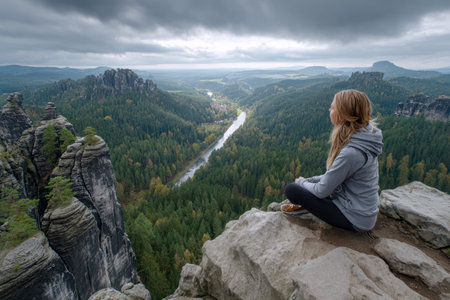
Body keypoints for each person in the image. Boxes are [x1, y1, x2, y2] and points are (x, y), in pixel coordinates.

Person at [283, 89, 383, 232]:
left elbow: (321, 191)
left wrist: (301, 183)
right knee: (304, 187)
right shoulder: (365, 136)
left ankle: (308, 207)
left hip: (355, 218)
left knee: (292, 190)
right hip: (360, 210)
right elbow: (334, 178)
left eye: (332, 107)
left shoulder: (351, 153)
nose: (329, 109)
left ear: (342, 116)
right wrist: (309, 180)